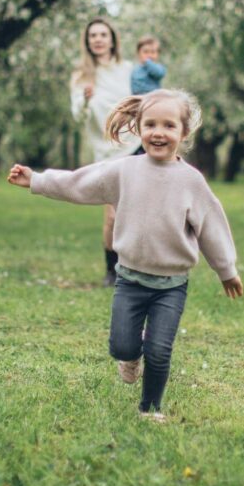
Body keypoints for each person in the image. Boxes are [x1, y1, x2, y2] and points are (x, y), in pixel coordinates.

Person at [8, 89, 244, 421]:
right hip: (129, 281)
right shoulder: (124, 171)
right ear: (138, 128)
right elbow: (79, 183)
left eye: (169, 125)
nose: (158, 133)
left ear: (184, 132)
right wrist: (37, 180)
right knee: (121, 346)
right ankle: (130, 356)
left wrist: (226, 270)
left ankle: (150, 408)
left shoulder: (192, 182)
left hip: (171, 286)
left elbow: (212, 228)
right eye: (151, 124)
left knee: (159, 352)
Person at [69, 18, 141, 287]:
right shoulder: (81, 76)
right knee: (112, 215)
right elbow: (78, 115)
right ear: (87, 42)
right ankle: (112, 271)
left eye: (103, 34)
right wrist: (85, 100)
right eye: (93, 35)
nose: (98, 39)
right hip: (107, 152)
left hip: (136, 145)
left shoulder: (128, 69)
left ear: (112, 39)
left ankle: (138, 268)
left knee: (137, 211)